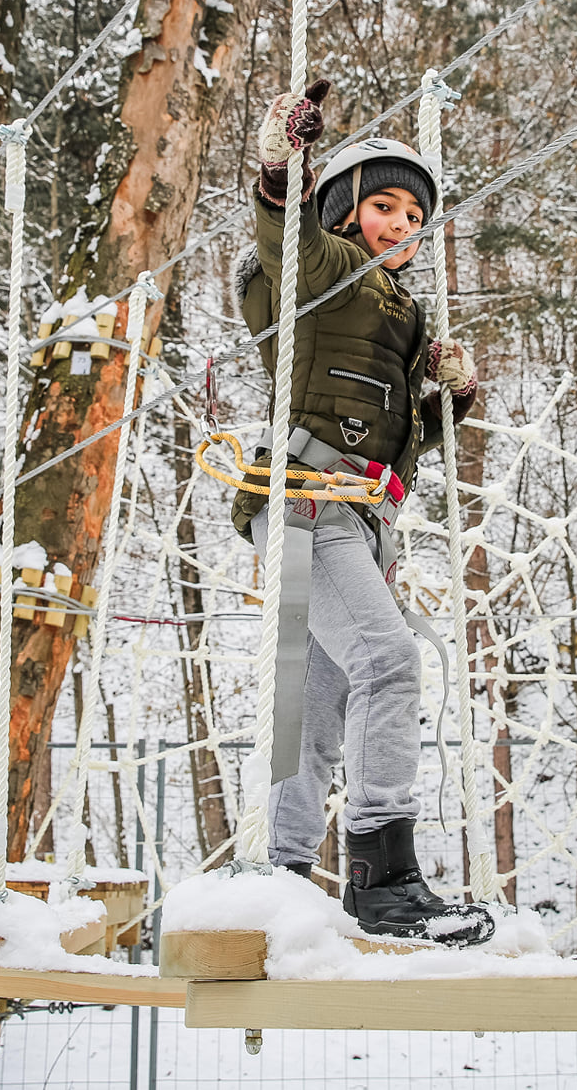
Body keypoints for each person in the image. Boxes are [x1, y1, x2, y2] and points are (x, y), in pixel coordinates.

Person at [232, 78, 494, 947]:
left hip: (357, 516)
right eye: (383, 206)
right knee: (389, 662)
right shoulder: (333, 270)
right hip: (309, 507)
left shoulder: (403, 310)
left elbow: (403, 443)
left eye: (413, 217)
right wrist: (282, 167)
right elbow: (287, 237)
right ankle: (383, 877)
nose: (400, 227)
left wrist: (446, 401)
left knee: (315, 706)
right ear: (347, 212)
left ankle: (280, 869)